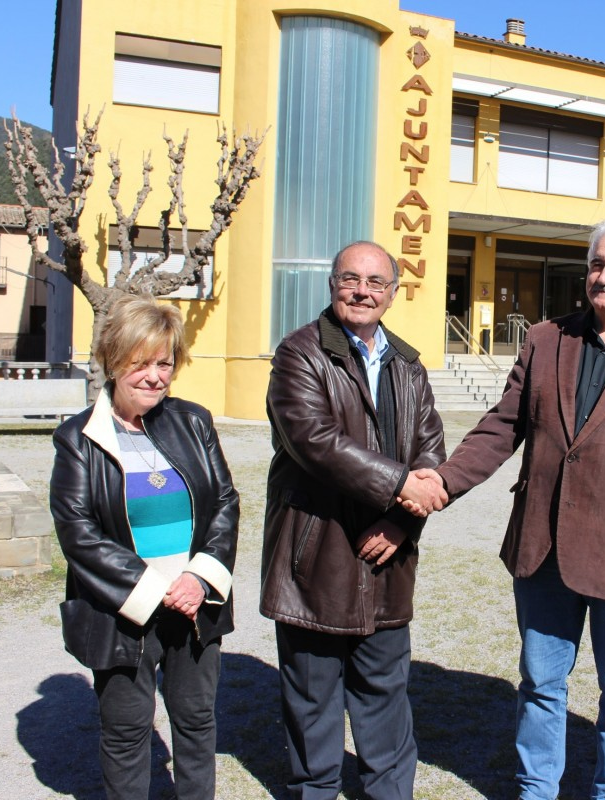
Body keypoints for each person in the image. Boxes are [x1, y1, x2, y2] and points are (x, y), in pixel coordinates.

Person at [420, 219, 605, 799]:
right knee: (540, 684)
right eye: (597, 265)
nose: (603, 276)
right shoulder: (547, 339)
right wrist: (444, 483)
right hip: (542, 546)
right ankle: (536, 789)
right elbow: (503, 427)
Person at [260, 241, 447, 800]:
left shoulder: (408, 365)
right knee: (313, 701)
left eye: (375, 282)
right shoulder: (298, 354)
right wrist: (399, 487)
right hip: (317, 555)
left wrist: (403, 525)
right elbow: (315, 442)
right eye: (350, 278)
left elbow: (430, 452)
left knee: (385, 696)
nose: (362, 291)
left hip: (389, 555)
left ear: (392, 293)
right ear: (332, 284)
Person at [50, 294, 239, 800]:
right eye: (141, 363)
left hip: (195, 602)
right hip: (122, 610)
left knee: (197, 720)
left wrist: (199, 579)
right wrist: (157, 588)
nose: (155, 376)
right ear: (114, 362)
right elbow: (78, 532)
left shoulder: (193, 422)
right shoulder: (78, 439)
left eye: (164, 362)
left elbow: (224, 501)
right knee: (128, 731)